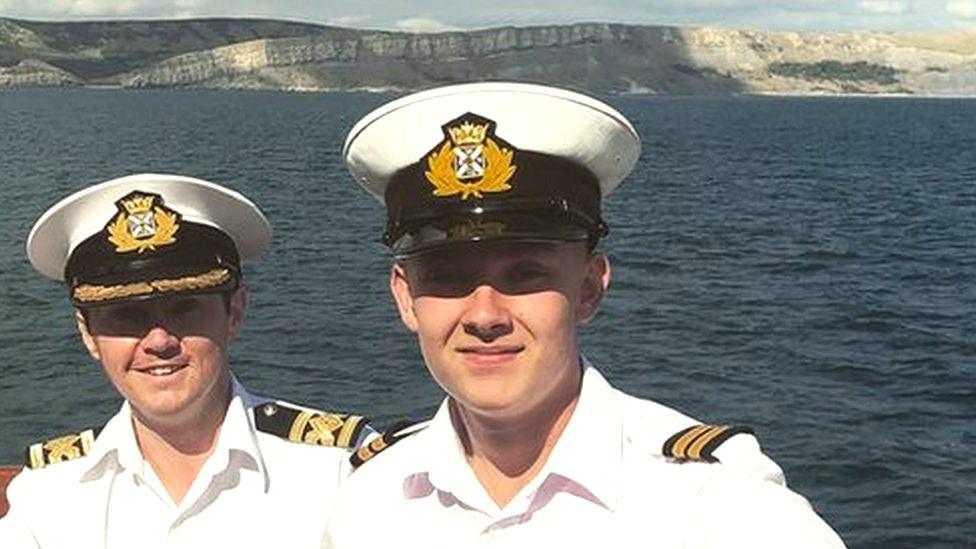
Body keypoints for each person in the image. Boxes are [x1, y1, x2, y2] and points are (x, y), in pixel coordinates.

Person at [323, 82, 846, 548]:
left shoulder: (712, 500)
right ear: (404, 297)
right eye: (446, 279)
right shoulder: (371, 497)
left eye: (525, 274)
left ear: (589, 288)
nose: (484, 315)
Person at [0, 173, 371, 548]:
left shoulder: (339, 471)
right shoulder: (47, 495)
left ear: (235, 313)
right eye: (125, 315)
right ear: (88, 334)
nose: (159, 340)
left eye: (185, 309)